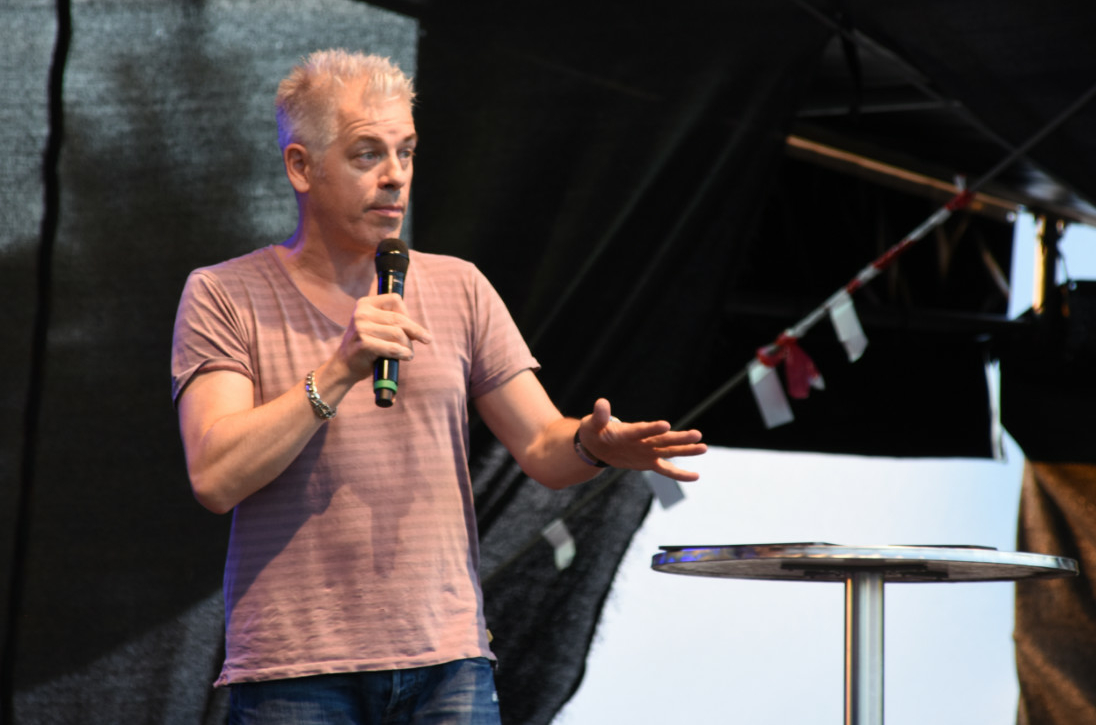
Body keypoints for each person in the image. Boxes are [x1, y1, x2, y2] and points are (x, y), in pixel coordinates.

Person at [170, 48, 707, 724]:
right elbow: (216, 476)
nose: (395, 177)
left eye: (407, 152)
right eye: (368, 154)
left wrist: (595, 445)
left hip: (446, 667)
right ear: (300, 167)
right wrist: (338, 370)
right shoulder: (226, 295)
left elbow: (543, 447)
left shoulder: (459, 287)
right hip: (296, 673)